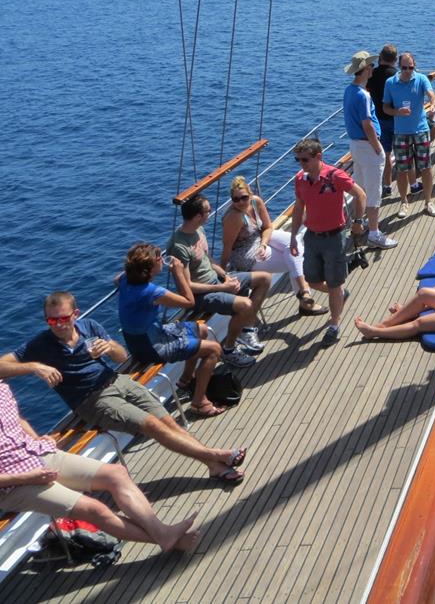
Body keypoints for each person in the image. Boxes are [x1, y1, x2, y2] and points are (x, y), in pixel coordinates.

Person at [1, 292, 247, 482]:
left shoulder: (89, 327)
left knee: (168, 421)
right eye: (52, 320)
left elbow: (121, 357)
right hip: (91, 400)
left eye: (63, 318)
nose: (58, 324)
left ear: (75, 314)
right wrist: (34, 366)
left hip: (117, 381)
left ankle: (213, 465)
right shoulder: (42, 344)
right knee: (152, 425)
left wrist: (109, 347)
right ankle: (216, 456)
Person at [0, 380, 200, 553]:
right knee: (95, 509)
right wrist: (28, 478)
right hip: (14, 483)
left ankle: (162, 533)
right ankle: (164, 538)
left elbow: (17, 420)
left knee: (116, 474)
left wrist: (36, 439)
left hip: (36, 453)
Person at [116, 243, 227, 417]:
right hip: (153, 348)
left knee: (202, 329)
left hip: (142, 340)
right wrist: (178, 272)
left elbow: (117, 278)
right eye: (160, 258)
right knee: (214, 349)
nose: (163, 260)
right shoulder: (151, 292)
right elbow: (189, 302)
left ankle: (186, 380)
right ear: (150, 268)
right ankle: (199, 403)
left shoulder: (125, 280)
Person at [169, 194, 267, 365]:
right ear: (199, 216)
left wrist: (225, 276)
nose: (211, 213)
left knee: (264, 279)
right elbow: (188, 286)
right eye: (208, 211)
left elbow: (208, 260)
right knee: (246, 305)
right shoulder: (179, 247)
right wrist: (223, 288)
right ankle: (229, 350)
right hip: (201, 295)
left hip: (217, 282)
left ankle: (243, 329)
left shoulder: (198, 230)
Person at [289, 137, 369, 347]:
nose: (302, 164)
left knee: (334, 283)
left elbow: (360, 195)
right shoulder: (300, 180)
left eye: (305, 160)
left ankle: (334, 324)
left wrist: (359, 222)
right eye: (298, 160)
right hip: (312, 237)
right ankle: (341, 294)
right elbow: (299, 208)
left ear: (318, 157)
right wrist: (293, 237)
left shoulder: (335, 176)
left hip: (334, 238)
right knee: (312, 280)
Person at [220, 175, 319, 315]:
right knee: (293, 260)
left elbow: (268, 227)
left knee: (294, 244)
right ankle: (305, 297)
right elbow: (227, 247)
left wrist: (263, 244)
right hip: (245, 253)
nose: (241, 202)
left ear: (250, 194)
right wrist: (222, 275)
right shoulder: (234, 217)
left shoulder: (256, 202)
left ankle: (304, 293)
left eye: (244, 197)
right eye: (236, 199)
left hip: (260, 239)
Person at [343, 50, 396, 249]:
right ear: (365, 69)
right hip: (367, 147)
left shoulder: (349, 91)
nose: (373, 69)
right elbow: (368, 124)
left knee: (361, 189)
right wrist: (378, 148)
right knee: (374, 192)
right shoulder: (363, 95)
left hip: (355, 146)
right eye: (371, 66)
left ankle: (361, 223)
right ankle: (374, 234)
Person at [382, 51, 435, 219]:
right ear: (399, 67)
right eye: (405, 67)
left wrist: (433, 104)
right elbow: (385, 107)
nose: (408, 71)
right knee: (402, 170)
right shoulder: (390, 83)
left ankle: (428, 201)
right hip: (400, 133)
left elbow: (432, 95)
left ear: (415, 66)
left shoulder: (421, 79)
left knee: (426, 167)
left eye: (411, 67)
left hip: (421, 130)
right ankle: (403, 202)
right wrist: (397, 112)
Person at [365, 44, 398, 199]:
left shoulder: (372, 75)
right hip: (396, 118)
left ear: (380, 58)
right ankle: (411, 180)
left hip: (378, 120)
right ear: (395, 60)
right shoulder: (397, 76)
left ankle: (386, 185)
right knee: (403, 152)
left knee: (385, 154)